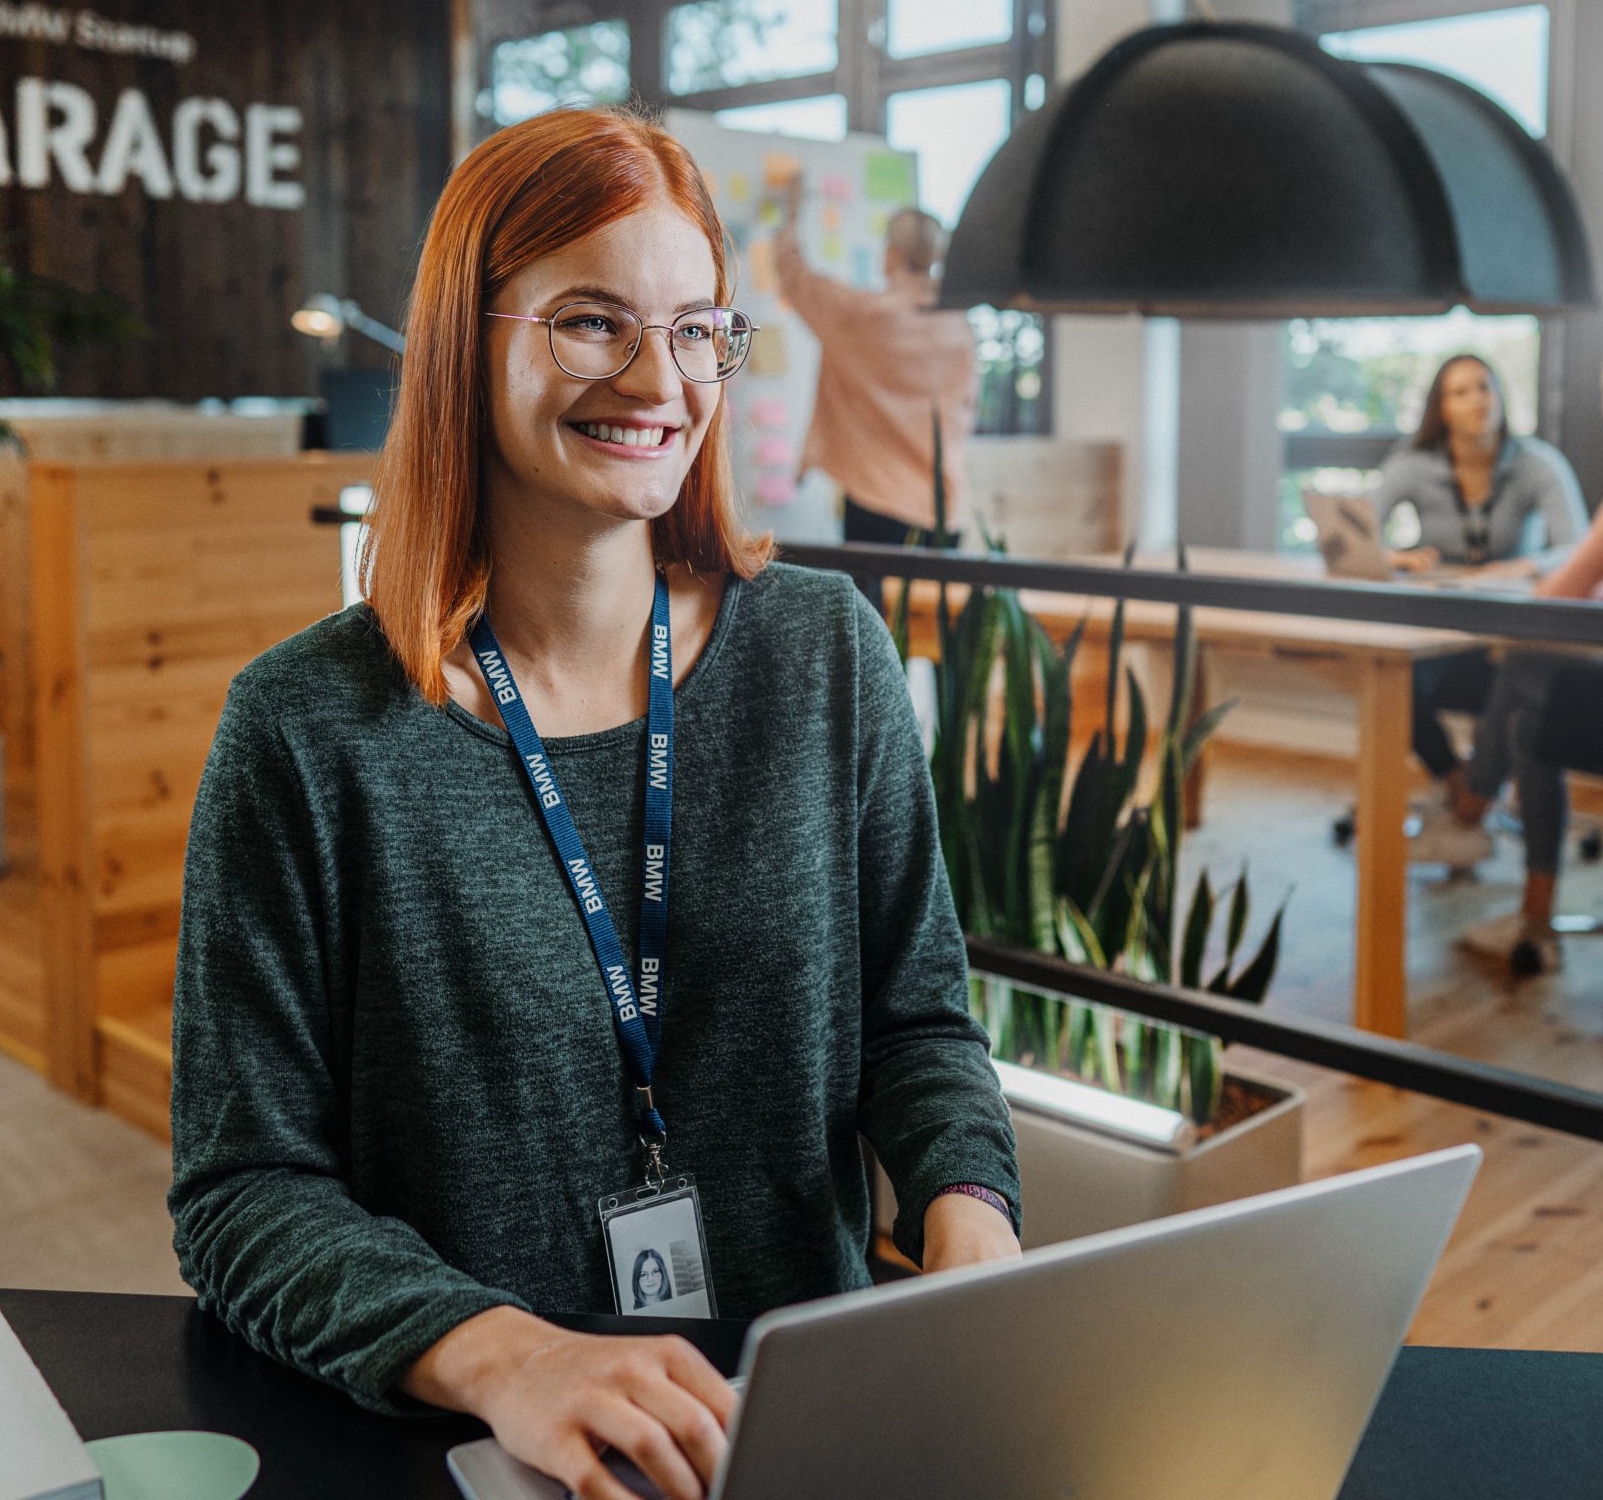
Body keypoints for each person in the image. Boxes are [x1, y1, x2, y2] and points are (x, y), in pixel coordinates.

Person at [168, 107, 1021, 1500]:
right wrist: (511, 1356)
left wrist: (971, 1223)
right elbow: (242, 1193)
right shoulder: (307, 730)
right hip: (485, 1453)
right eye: (589, 322)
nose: (658, 379)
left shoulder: (822, 655)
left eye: (697, 329)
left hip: (802, 1432)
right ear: (464, 344)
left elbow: (916, 1021)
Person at [1436, 337, 1603, 973]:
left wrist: (1529, 583)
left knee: (1529, 668)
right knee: (1536, 707)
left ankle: (1474, 805)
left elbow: (1556, 597)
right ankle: (1530, 913)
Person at [1371, 354, 1588, 869]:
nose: (1476, 401)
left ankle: (1468, 809)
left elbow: (1578, 547)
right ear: (1439, 408)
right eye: (1460, 392)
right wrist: (1392, 556)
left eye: (1484, 388)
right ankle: (1461, 787)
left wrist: (1526, 566)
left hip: (1510, 630)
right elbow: (1354, 534)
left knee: (1518, 685)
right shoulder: (1414, 464)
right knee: (1393, 681)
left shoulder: (1536, 463)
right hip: (1439, 627)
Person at [770, 194, 978, 571]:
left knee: (875, 624)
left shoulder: (862, 318)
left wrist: (792, 217)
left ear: (891, 255)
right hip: (945, 509)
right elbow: (968, 411)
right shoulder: (959, 329)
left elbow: (797, 279)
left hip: (877, 505)